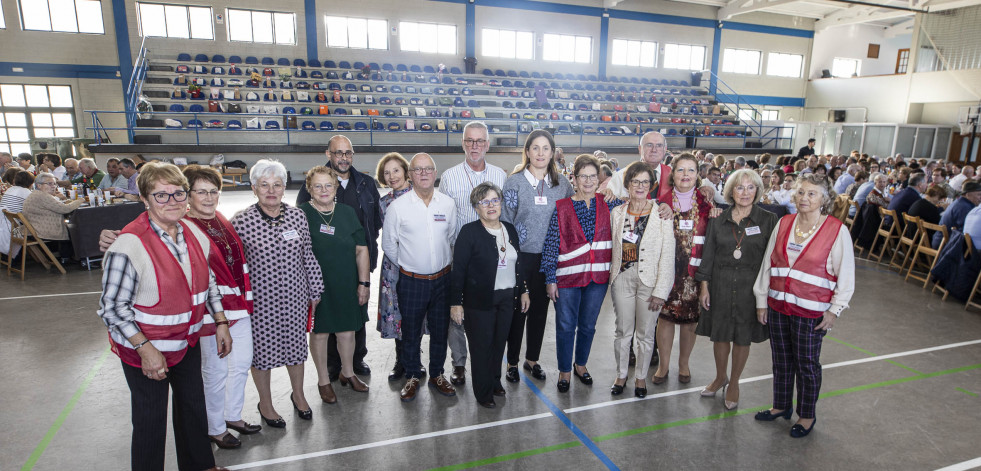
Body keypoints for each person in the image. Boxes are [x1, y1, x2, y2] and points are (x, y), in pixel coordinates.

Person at [97, 162, 232, 471]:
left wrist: (221, 321)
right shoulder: (129, 244)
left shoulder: (193, 233)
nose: (172, 202)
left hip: (186, 341)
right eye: (161, 196)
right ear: (144, 199)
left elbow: (207, 282)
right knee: (150, 420)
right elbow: (113, 309)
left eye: (178, 194)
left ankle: (200, 466)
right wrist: (146, 351)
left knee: (192, 409)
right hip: (146, 348)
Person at [753, 173, 855, 438]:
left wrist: (835, 310)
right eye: (800, 192)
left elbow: (846, 275)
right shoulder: (784, 223)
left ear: (824, 199)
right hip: (778, 305)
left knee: (807, 365)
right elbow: (768, 264)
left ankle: (807, 415)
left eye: (812, 193)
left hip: (811, 311)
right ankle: (781, 406)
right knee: (781, 360)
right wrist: (762, 300)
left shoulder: (836, 230)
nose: (804, 198)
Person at [231, 159, 324, 427]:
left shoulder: (297, 216)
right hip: (261, 303)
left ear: (285, 187)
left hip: (296, 299)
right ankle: (266, 403)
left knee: (296, 350)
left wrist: (315, 291)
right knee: (263, 354)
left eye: (277, 185)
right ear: (254, 188)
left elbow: (308, 256)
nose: (271, 191)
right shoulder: (242, 221)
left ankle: (298, 394)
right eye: (264, 185)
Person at [296, 135, 380, 380]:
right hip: (320, 269)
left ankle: (355, 361)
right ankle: (332, 366)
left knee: (354, 315)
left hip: (356, 258)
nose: (343, 158)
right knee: (323, 321)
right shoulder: (310, 188)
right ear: (328, 154)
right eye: (338, 153)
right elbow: (303, 221)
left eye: (347, 153)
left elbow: (374, 222)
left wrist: (365, 264)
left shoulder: (365, 182)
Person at [696, 169, 778, 410]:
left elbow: (770, 260)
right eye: (740, 187)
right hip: (720, 282)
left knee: (743, 336)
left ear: (757, 190)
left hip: (750, 287)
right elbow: (708, 254)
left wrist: (766, 294)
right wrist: (704, 287)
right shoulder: (718, 218)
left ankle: (735, 383)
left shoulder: (768, 220)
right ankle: (721, 377)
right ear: (731, 191)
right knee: (720, 334)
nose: (745, 192)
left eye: (750, 187)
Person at [382, 153, 458, 402]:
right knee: (411, 332)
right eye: (418, 169)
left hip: (442, 280)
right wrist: (409, 265)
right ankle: (413, 375)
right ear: (410, 174)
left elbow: (451, 238)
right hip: (411, 281)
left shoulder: (447, 204)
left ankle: (437, 373)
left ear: (435, 174)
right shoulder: (398, 207)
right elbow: (389, 245)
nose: (424, 173)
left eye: (428, 169)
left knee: (439, 331)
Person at [501, 130, 574, 383]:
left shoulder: (563, 184)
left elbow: (572, 217)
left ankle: (532, 359)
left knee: (540, 311)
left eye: (546, 148)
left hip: (550, 259)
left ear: (552, 152)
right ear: (527, 151)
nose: (540, 153)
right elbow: (506, 222)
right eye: (535, 148)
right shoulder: (514, 182)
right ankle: (512, 362)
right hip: (521, 257)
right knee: (518, 310)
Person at [438, 121, 508, 386]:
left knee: (488, 309)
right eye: (470, 140)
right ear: (463, 143)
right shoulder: (450, 177)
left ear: (488, 144)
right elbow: (443, 219)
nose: (475, 146)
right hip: (461, 252)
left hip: (493, 254)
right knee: (457, 308)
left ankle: (488, 359)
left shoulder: (500, 176)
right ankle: (458, 362)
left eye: (480, 141)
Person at [450, 182, 530, 408]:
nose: (491, 205)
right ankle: (483, 392)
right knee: (481, 347)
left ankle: (495, 382)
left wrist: (523, 289)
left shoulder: (509, 229)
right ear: (476, 207)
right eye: (484, 202)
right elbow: (459, 270)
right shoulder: (469, 232)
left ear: (501, 203)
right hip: (479, 301)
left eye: (495, 200)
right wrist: (456, 303)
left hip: (508, 298)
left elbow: (519, 263)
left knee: (498, 344)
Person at [540, 155, 616, 392]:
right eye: (583, 175)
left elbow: (639, 205)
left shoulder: (610, 203)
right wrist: (550, 279)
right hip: (567, 278)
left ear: (599, 178)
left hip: (598, 279)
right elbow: (552, 244)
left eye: (593, 176)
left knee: (588, 325)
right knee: (565, 325)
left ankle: (580, 365)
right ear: (574, 178)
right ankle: (564, 370)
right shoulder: (562, 207)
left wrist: (661, 205)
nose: (588, 180)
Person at [300, 166, 371, 403]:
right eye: (317, 186)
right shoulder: (300, 214)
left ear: (336, 188)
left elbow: (361, 249)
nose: (323, 190)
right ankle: (323, 381)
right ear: (309, 189)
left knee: (347, 330)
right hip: (315, 287)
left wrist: (364, 283)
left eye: (328, 185)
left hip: (346, 281)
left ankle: (347, 373)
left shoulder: (347, 212)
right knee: (320, 332)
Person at [608, 162, 674, 398]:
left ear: (651, 186)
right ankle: (621, 374)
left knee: (646, 335)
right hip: (622, 277)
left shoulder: (662, 214)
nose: (640, 186)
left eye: (645, 182)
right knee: (622, 332)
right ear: (627, 184)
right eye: (635, 181)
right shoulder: (617, 213)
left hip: (649, 282)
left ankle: (640, 378)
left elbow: (668, 255)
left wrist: (661, 291)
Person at [651, 153, 713, 386]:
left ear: (698, 175)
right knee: (665, 319)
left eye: (691, 170)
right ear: (672, 174)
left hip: (694, 274)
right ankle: (664, 365)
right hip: (668, 271)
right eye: (680, 170)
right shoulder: (661, 202)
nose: (685, 175)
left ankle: (684, 363)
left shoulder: (707, 204)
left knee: (690, 321)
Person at [375, 152, 417, 381]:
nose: (391, 176)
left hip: (418, 263)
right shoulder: (384, 203)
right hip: (393, 266)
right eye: (387, 172)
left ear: (406, 171)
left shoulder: (420, 196)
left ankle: (415, 360)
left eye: (396, 170)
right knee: (397, 312)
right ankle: (401, 360)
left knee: (415, 312)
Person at [22, 172, 83, 259]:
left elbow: (56, 205)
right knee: (74, 228)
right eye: (49, 183)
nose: (53, 186)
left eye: (55, 184)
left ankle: (67, 257)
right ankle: (72, 257)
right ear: (39, 185)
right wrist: (80, 200)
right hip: (41, 230)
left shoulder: (37, 194)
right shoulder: (42, 196)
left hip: (33, 228)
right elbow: (65, 209)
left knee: (70, 226)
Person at [607, 131, 673, 202]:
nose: (654, 150)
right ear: (640, 149)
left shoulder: (673, 175)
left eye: (659, 145)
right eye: (649, 145)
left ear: (665, 149)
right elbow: (607, 206)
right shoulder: (620, 176)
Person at [935, 181, 981, 248]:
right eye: (979, 194)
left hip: (941, 242)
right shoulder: (965, 208)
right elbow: (967, 234)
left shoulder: (959, 202)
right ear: (967, 195)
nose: (980, 197)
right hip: (947, 247)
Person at [0, 170, 32, 257]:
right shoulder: (26, 192)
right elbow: (33, 207)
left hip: (6, 224)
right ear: (31, 183)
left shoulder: (10, 189)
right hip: (16, 226)